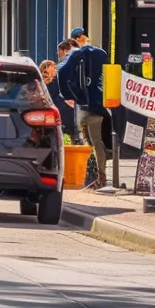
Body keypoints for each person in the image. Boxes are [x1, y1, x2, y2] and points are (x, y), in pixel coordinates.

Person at [58, 28, 110, 189]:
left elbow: (62, 72)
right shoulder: (101, 54)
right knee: (97, 143)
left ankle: (94, 176)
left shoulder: (75, 55)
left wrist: (68, 95)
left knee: (88, 143)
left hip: (84, 106)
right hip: (101, 104)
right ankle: (98, 175)